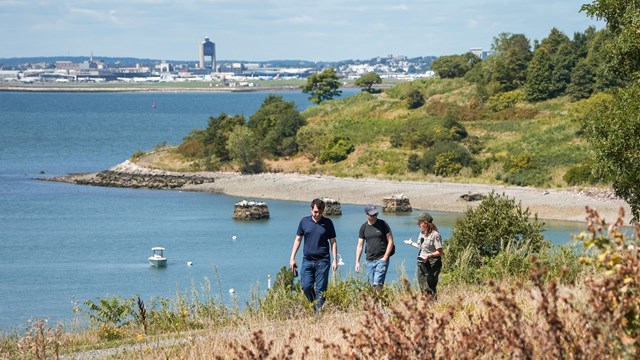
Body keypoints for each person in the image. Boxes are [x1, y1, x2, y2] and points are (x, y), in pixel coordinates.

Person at [290, 198, 338, 313]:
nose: (317, 215)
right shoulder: (304, 221)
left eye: (320, 213)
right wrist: (292, 257)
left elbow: (333, 242)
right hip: (307, 260)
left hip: (323, 261)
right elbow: (298, 239)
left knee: (321, 289)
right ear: (311, 209)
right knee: (306, 286)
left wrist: (335, 260)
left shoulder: (328, 223)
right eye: (315, 212)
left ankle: (318, 314)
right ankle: (315, 306)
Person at [355, 204, 394, 293]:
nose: (374, 216)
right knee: (371, 286)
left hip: (382, 259)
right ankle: (376, 305)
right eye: (372, 215)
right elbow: (360, 245)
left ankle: (379, 304)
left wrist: (385, 257)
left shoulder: (383, 224)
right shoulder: (363, 227)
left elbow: (390, 241)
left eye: (376, 214)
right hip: (369, 260)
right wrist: (357, 261)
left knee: (377, 283)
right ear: (366, 214)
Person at [403, 212, 443, 298]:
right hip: (422, 262)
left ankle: (432, 305)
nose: (418, 224)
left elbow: (440, 252)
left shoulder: (435, 235)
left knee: (429, 285)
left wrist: (429, 256)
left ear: (425, 223)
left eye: (420, 222)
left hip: (433, 262)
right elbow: (420, 247)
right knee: (422, 284)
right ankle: (426, 305)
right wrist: (411, 243)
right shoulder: (422, 233)